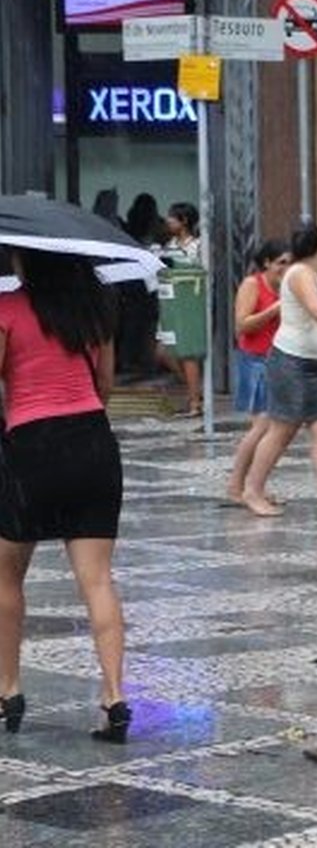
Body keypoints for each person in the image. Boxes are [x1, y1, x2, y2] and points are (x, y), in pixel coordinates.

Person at [0, 249, 130, 742]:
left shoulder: (7, 309)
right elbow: (105, 384)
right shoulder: (94, 310)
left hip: (31, 449)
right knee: (98, 581)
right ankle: (115, 697)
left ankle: (9, 689)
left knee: (7, 574)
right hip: (94, 444)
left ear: (26, 260)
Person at [239, 224, 317, 518]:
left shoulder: (309, 274)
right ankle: (253, 490)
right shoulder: (298, 274)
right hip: (292, 362)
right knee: (282, 429)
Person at [225, 239, 291, 505]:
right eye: (281, 262)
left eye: (290, 263)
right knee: (262, 425)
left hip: (279, 361)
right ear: (267, 263)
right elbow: (242, 325)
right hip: (255, 362)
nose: (286, 268)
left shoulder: (289, 287)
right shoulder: (252, 285)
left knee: (274, 428)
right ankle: (236, 485)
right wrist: (274, 309)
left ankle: (255, 486)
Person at [155, 202, 204, 414]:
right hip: (170, 304)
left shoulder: (199, 246)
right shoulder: (169, 246)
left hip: (189, 305)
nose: (168, 222)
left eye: (172, 218)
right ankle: (196, 389)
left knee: (188, 352)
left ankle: (195, 401)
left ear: (183, 221)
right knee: (163, 351)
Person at [116, 193, 164, 375]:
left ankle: (128, 360)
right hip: (147, 278)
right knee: (149, 322)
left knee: (131, 322)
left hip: (130, 279)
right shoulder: (155, 224)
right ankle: (146, 361)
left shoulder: (129, 222)